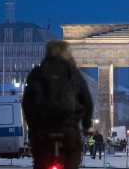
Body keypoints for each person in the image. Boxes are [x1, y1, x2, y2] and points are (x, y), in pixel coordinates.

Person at [22, 40, 94, 169]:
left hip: (43, 128)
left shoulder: (37, 72)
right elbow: (87, 102)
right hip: (68, 128)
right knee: (72, 156)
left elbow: (26, 103)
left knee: (40, 161)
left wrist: (32, 125)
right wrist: (86, 125)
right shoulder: (73, 73)